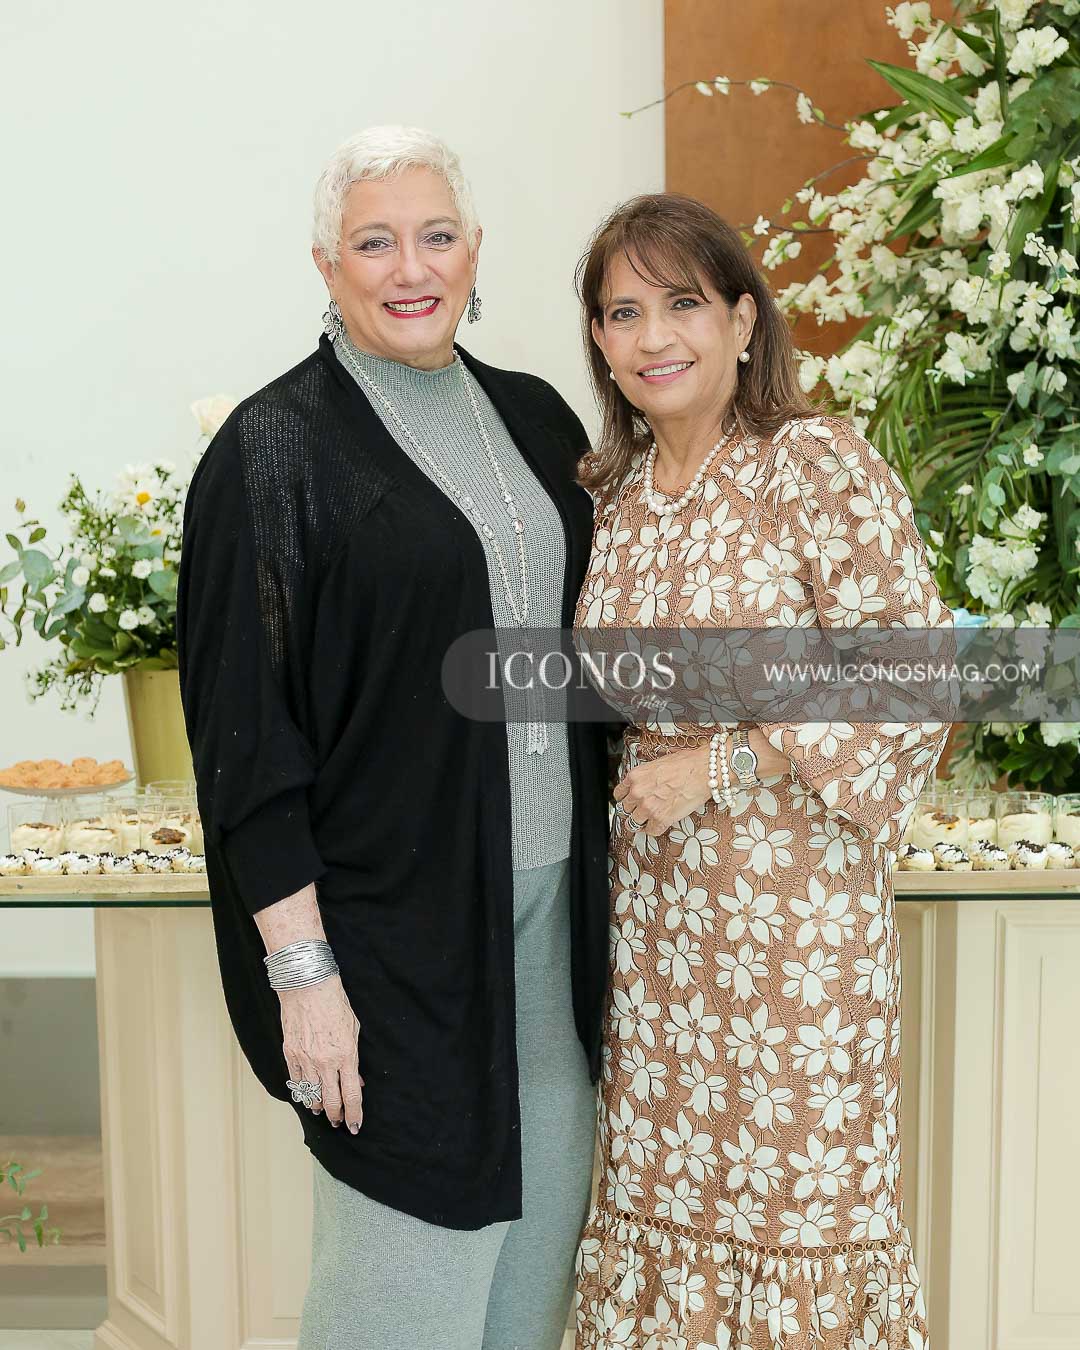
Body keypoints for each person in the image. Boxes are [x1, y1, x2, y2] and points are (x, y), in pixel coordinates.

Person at [176, 125, 611, 1350]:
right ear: (326, 263)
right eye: (375, 242)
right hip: (390, 941)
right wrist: (304, 979)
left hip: (554, 928)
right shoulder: (271, 452)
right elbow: (245, 745)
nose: (410, 268)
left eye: (436, 236)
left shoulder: (536, 417)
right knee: (405, 1286)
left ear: (475, 252)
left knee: (534, 1280)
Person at [568, 192, 951, 1349]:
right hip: (657, 930)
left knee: (798, 1208)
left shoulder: (811, 463)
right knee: (666, 1197)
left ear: (742, 322)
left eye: (680, 304)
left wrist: (726, 763)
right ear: (599, 341)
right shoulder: (612, 495)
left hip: (795, 923)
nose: (652, 337)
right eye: (622, 313)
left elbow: (918, 669)